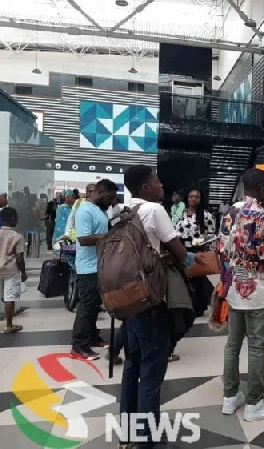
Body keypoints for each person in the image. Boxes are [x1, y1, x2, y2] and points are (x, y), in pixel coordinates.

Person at [119, 165, 187, 448]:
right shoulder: (154, 210)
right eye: (157, 182)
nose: (162, 185)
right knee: (151, 370)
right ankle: (147, 440)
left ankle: (128, 434)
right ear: (146, 187)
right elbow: (180, 252)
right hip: (151, 299)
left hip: (127, 298)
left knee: (132, 365)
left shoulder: (121, 211)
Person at [218, 168, 264, 421]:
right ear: (260, 187)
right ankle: (254, 403)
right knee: (256, 346)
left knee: (232, 344)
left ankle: (230, 397)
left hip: (235, 287)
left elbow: (222, 249)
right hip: (257, 289)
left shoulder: (230, 212)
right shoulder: (261, 214)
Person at [70, 179, 117, 361]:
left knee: (95, 305)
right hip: (88, 267)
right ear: (100, 192)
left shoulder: (99, 210)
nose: (112, 201)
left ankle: (92, 337)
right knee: (87, 306)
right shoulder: (84, 210)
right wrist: (111, 236)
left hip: (99, 265)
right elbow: (83, 239)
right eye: (110, 197)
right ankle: (78, 345)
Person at [0, 207, 27, 333]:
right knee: (9, 298)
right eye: (16, 217)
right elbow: (20, 258)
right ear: (12, 219)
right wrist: (23, 272)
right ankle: (9, 325)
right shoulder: (17, 237)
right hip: (11, 270)